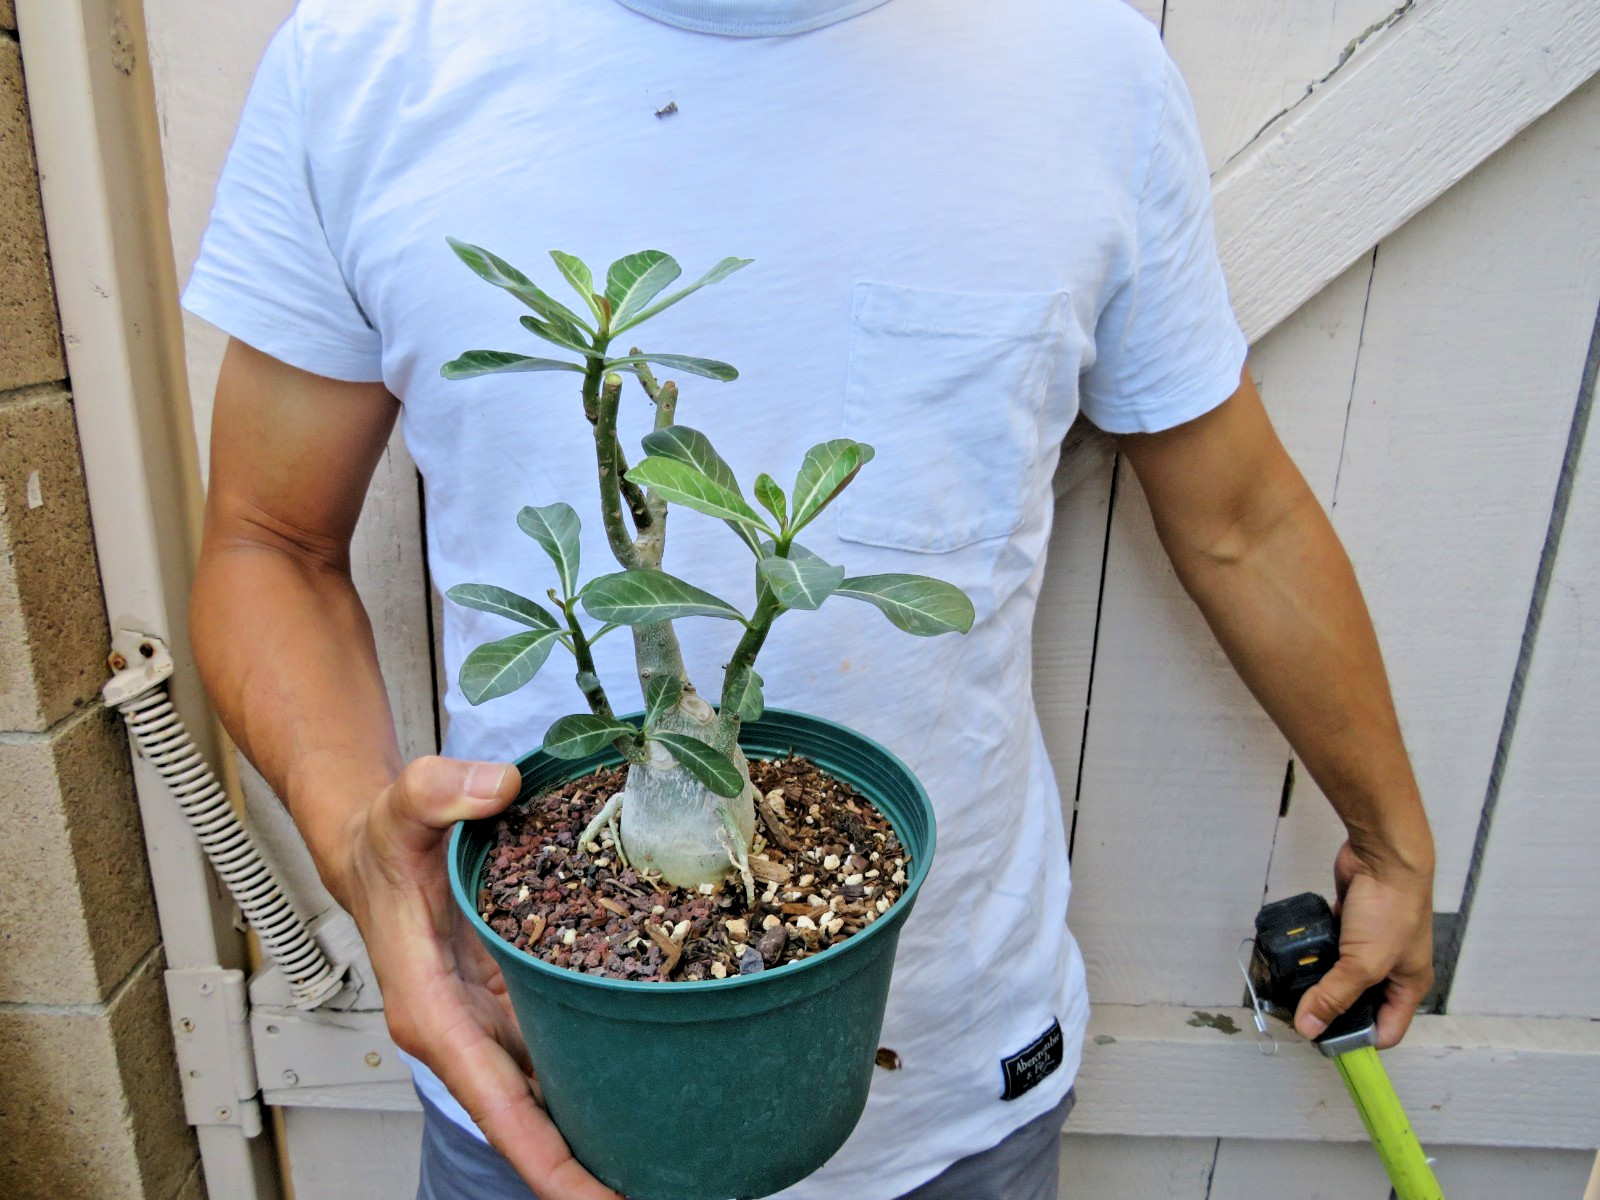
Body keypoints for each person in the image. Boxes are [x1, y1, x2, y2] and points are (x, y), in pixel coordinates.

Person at [182, 1, 1437, 1197]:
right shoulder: (369, 60)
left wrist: (1386, 839)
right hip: (532, 1062)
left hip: (954, 1090)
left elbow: (1240, 520)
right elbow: (267, 545)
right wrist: (369, 864)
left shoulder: (1089, 73)